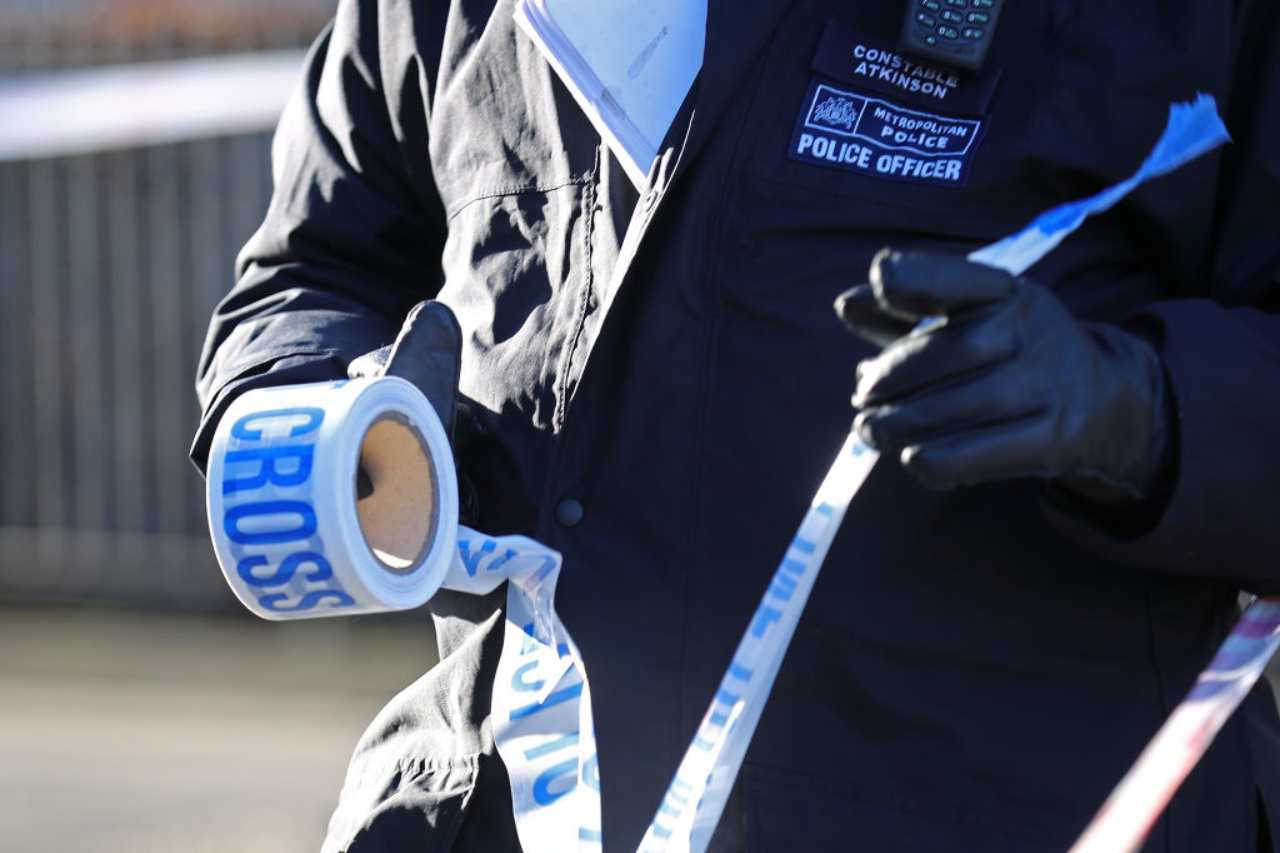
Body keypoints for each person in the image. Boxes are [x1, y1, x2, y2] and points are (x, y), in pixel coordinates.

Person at [191, 1, 1280, 850]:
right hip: (495, 807)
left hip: (1011, 810)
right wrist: (335, 414)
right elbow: (311, 269)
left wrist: (1139, 410)